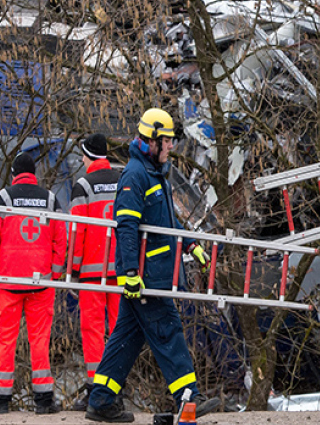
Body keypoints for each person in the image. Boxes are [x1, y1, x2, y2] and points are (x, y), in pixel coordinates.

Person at [86, 108, 219, 423]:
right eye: (168, 141)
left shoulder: (156, 175)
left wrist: (191, 245)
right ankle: (188, 398)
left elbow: (167, 222)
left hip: (154, 274)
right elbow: (127, 227)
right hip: (147, 278)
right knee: (168, 330)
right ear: (151, 142)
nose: (172, 146)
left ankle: (102, 399)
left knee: (127, 337)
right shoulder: (135, 175)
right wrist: (130, 273)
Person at [0, 153, 67, 415]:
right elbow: (59, 239)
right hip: (40, 282)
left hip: (7, 282)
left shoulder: (4, 197)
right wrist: (53, 271)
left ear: (14, 173)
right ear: (34, 174)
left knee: (5, 341)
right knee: (39, 340)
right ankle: (43, 401)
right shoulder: (50, 199)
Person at [68, 133, 121, 411]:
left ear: (88, 156)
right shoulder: (123, 180)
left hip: (92, 269)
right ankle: (116, 387)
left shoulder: (83, 186)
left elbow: (78, 231)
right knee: (119, 330)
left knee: (92, 329)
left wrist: (73, 268)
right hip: (123, 269)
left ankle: (95, 388)